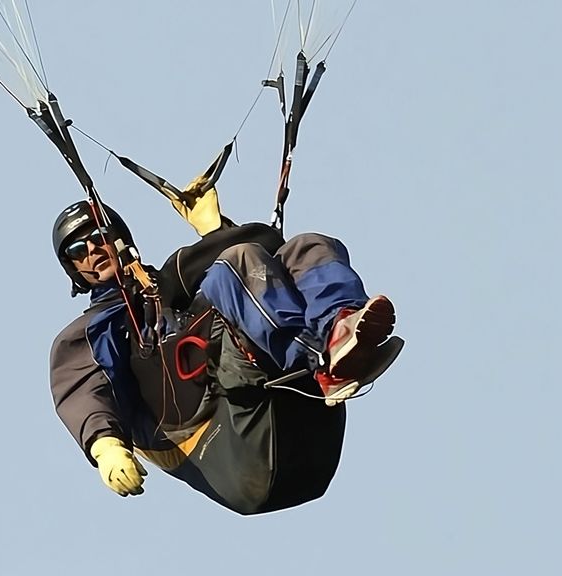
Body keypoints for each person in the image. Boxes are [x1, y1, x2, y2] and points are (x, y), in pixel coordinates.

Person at [48, 199, 403, 515]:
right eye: (79, 250)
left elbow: (264, 249)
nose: (93, 249)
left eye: (100, 235)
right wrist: (103, 444)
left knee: (306, 246)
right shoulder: (90, 331)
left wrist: (215, 231)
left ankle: (340, 329)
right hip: (228, 443)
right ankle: (323, 357)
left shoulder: (169, 286)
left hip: (291, 420)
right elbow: (82, 388)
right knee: (234, 264)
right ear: (74, 269)